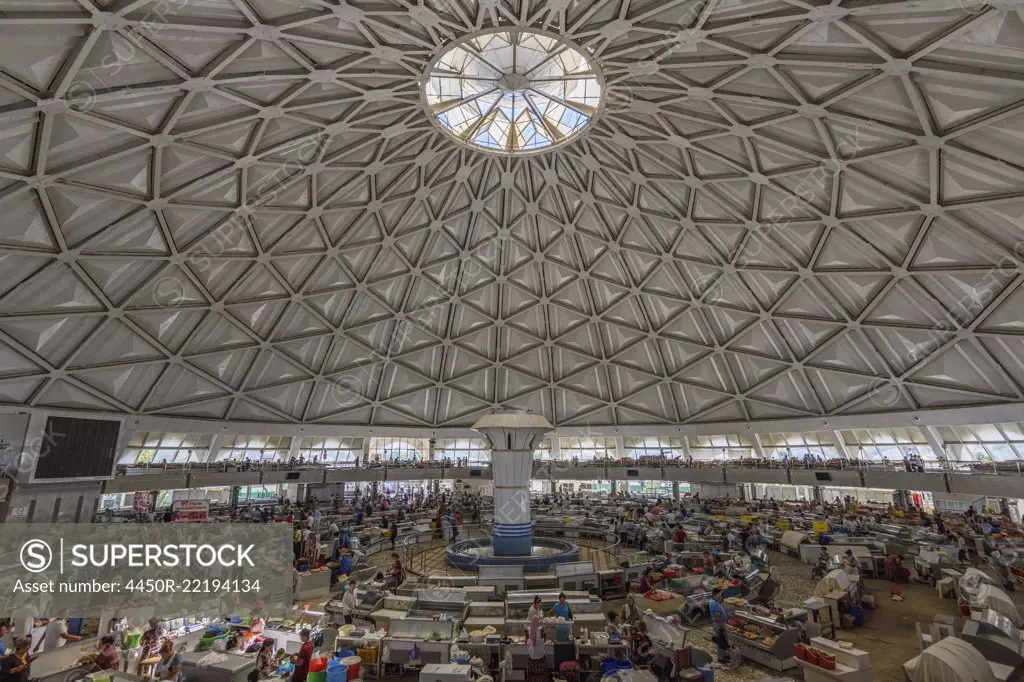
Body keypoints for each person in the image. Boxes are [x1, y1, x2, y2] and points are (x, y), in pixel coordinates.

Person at [526, 597, 547, 682]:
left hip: (535, 653)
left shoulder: (534, 630)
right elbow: (542, 639)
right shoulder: (532, 612)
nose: (540, 605)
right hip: (538, 653)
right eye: (539, 603)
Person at [709, 589, 729, 665]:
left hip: (720, 623)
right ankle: (721, 658)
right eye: (720, 594)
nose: (721, 595)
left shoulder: (715, 601)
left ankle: (723, 654)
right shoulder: (714, 603)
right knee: (721, 640)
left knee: (723, 639)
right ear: (715, 594)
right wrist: (721, 626)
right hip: (719, 624)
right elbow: (717, 615)